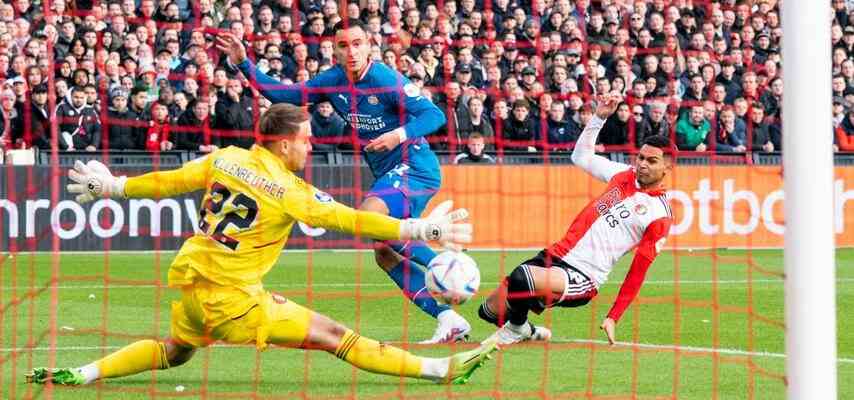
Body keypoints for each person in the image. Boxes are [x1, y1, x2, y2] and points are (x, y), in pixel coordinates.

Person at [26, 103, 497, 386]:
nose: (310, 148)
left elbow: (169, 182)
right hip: (233, 300)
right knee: (335, 336)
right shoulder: (288, 190)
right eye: (305, 141)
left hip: (193, 288)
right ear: (282, 144)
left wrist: (113, 188)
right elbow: (349, 218)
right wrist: (420, 231)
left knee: (176, 350)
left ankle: (82, 374)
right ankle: (442, 371)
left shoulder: (225, 159)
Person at [216, 19, 471, 344]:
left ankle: (448, 265)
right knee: (383, 253)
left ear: (369, 46)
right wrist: (243, 62)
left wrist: (396, 135)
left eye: (357, 43)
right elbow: (287, 95)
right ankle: (448, 318)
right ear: (335, 50)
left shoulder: (385, 79)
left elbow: (435, 115)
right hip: (388, 174)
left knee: (370, 216)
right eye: (343, 45)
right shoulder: (333, 80)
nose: (351, 51)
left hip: (415, 166)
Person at [477, 93, 674, 346]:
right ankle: (527, 330)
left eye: (652, 161)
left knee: (521, 276)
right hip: (555, 255)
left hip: (583, 275)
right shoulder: (622, 174)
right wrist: (599, 118)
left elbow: (638, 271)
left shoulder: (660, 215)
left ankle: (515, 330)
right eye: (641, 158)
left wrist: (614, 316)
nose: (642, 164)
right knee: (489, 311)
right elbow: (580, 157)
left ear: (667, 168)